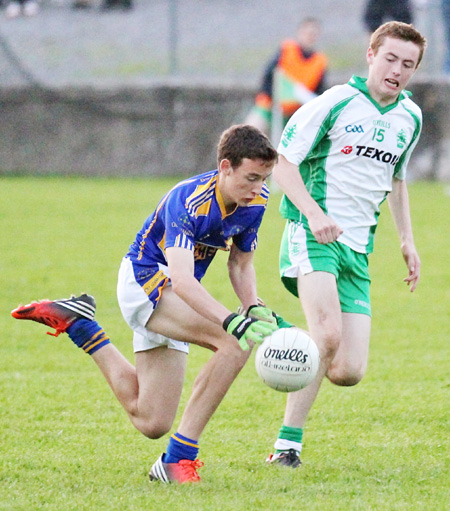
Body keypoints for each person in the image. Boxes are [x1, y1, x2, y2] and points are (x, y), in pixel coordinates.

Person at [11, 125, 280, 484]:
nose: (258, 189)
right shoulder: (188, 200)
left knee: (151, 420)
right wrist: (232, 320)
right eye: (250, 178)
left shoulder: (255, 203)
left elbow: (241, 263)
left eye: (264, 179)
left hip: (177, 295)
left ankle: (80, 325)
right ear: (225, 167)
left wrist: (252, 306)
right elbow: (182, 279)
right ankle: (178, 460)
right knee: (234, 342)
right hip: (145, 281)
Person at [262, 21, 426, 468]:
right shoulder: (335, 102)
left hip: (357, 250)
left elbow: (396, 178)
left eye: (408, 64)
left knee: (347, 371)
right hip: (311, 234)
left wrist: (407, 241)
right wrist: (314, 215)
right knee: (328, 336)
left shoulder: (409, 118)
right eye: (390, 58)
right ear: (371, 55)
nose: (397, 70)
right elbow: (282, 163)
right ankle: (287, 447)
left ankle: (279, 337)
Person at [246, 17, 327, 140]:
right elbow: (268, 77)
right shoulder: (286, 49)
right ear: (299, 33)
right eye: (307, 33)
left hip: (295, 113)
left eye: (313, 34)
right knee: (249, 131)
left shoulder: (320, 61)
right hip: (270, 105)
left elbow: (318, 94)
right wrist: (273, 98)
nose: (309, 37)